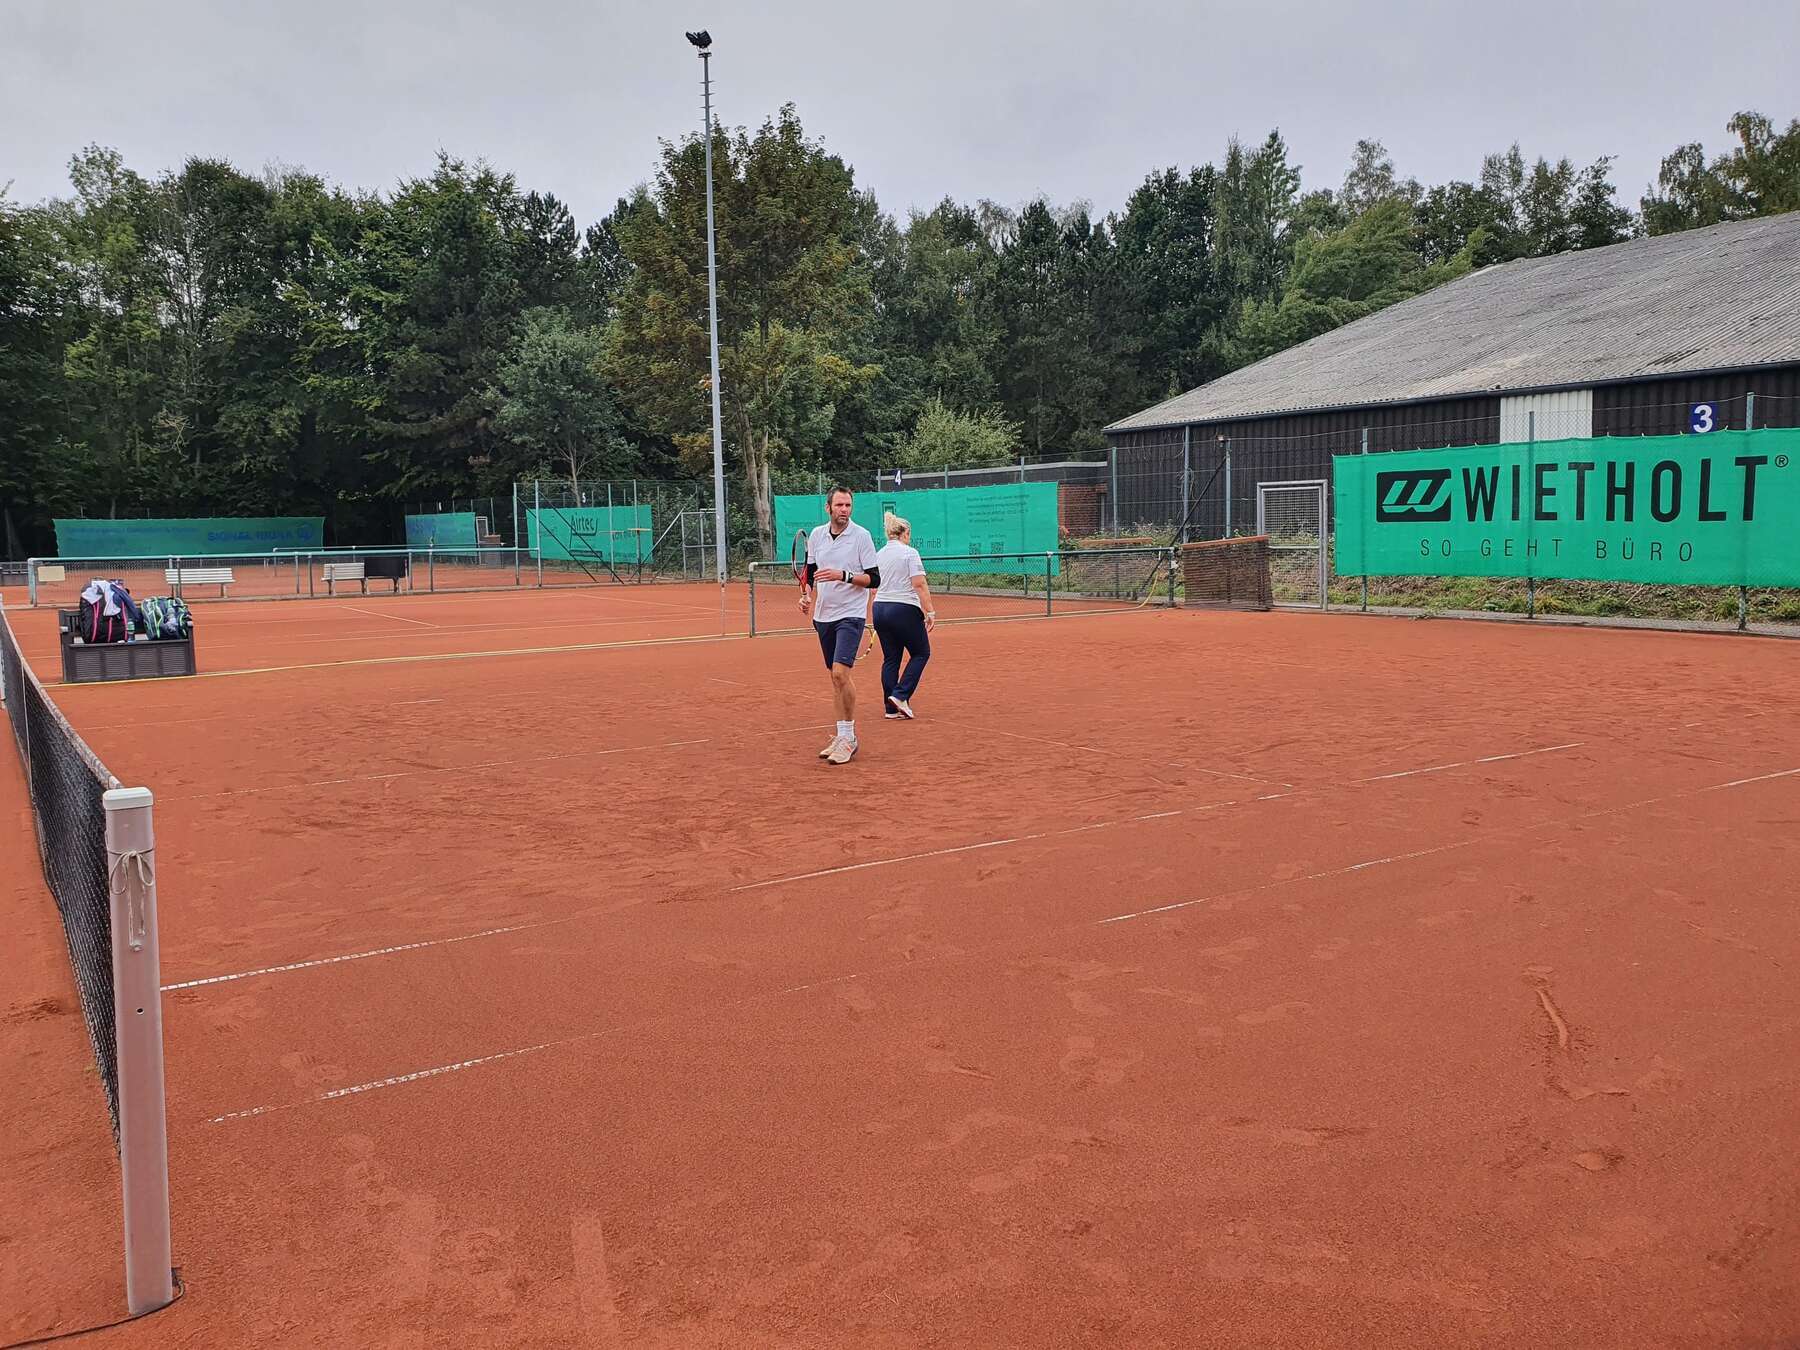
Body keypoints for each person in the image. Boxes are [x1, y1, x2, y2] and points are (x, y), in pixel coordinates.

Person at [798, 487, 880, 765]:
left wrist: (843, 575)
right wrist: (806, 595)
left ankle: (848, 738)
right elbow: (810, 572)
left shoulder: (862, 536)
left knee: (840, 674)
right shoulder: (817, 535)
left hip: (851, 614)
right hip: (823, 616)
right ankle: (841, 734)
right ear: (828, 508)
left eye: (848, 505)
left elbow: (874, 578)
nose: (844, 510)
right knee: (835, 678)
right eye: (839, 505)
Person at [868, 511, 935, 719]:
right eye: (909, 534)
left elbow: (873, 588)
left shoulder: (878, 554)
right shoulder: (910, 553)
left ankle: (891, 709)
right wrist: (930, 611)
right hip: (903, 609)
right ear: (904, 533)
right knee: (921, 652)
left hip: (880, 609)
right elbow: (919, 583)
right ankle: (900, 695)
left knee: (891, 659)